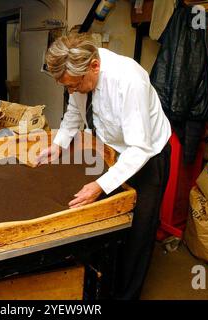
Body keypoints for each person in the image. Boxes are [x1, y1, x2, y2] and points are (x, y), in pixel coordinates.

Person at [34, 33, 172, 300]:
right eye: (67, 87)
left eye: (75, 85)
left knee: (137, 233)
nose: (72, 91)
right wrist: (59, 145)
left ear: (94, 66)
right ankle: (102, 284)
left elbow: (139, 148)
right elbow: (74, 112)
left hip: (147, 154)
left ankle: (125, 295)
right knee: (109, 222)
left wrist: (101, 184)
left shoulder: (129, 80)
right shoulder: (80, 76)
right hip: (114, 150)